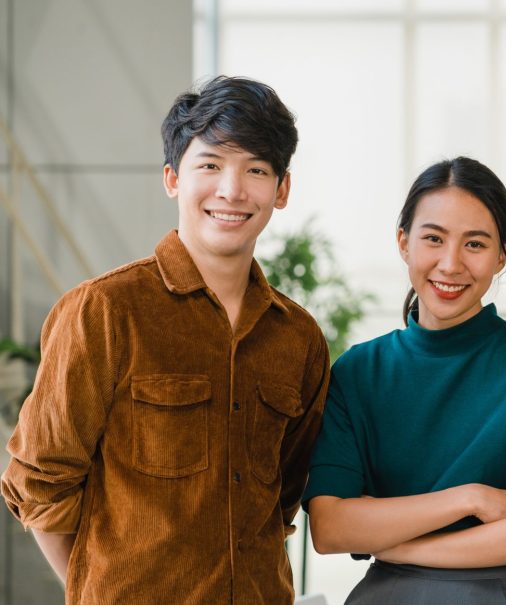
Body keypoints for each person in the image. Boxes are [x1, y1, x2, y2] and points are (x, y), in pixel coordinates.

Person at [1, 76, 328, 603]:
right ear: (173, 178)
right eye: (210, 165)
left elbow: (282, 498)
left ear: (281, 190)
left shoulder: (298, 337)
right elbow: (39, 483)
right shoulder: (106, 310)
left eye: (257, 170)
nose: (232, 190)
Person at [302, 156, 506, 604]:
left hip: (497, 593)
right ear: (403, 243)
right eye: (433, 239)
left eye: (475, 244)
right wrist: (469, 499)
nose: (451, 264)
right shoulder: (358, 371)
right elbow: (330, 525)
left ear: (502, 255)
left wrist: (398, 545)